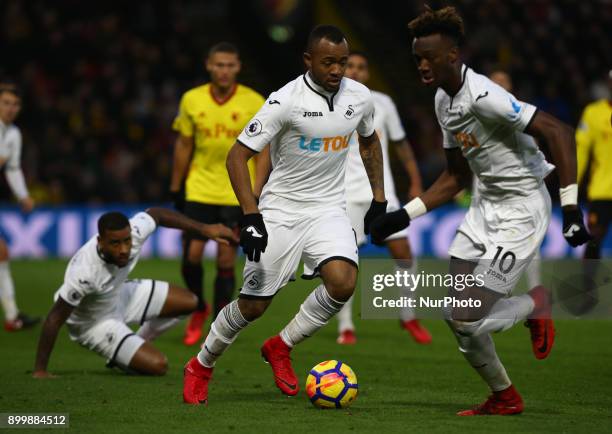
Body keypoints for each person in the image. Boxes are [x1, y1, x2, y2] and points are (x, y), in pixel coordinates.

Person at [370, 6, 590, 415]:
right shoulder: (442, 101)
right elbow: (456, 176)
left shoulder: (486, 96)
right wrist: (405, 216)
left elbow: (558, 132)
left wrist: (571, 208)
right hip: (483, 208)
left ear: (452, 56)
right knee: (457, 317)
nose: (421, 65)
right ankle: (504, 395)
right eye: (416, 57)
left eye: (428, 58)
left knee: (466, 314)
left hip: (522, 210)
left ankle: (537, 303)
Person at [183, 24, 386, 405]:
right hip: (281, 211)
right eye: (329, 62)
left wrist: (379, 199)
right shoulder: (285, 101)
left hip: (328, 209)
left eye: (343, 62)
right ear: (308, 60)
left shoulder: (359, 97)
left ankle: (281, 345)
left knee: (342, 282)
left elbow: (369, 141)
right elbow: (237, 155)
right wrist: (251, 215)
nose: (338, 70)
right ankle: (201, 364)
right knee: (254, 305)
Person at [32, 208, 238, 377]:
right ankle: (119, 353)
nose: (124, 249)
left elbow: (157, 215)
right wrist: (40, 370)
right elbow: (54, 319)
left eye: (127, 241)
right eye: (115, 243)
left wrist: (204, 229)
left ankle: (138, 341)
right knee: (158, 366)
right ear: (100, 242)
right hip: (94, 323)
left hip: (119, 294)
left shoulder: (134, 234)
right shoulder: (84, 273)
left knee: (190, 301)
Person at [170, 42, 265, 346]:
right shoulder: (192, 99)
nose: (224, 71)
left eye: (230, 65)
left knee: (225, 261)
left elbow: (264, 151)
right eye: (219, 65)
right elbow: (184, 144)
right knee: (192, 256)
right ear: (209, 66)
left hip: (236, 192)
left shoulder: (254, 101)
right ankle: (198, 306)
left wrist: (256, 191)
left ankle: (218, 322)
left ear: (238, 67)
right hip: (199, 187)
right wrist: (176, 185)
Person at [338, 51, 431, 345]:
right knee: (345, 261)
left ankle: (408, 316)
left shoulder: (383, 103)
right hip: (346, 193)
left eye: (361, 67)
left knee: (403, 253)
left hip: (383, 191)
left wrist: (415, 180)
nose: (355, 71)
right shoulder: (331, 103)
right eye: (349, 65)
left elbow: (402, 145)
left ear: (367, 73)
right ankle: (345, 326)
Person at [0, 83, 39, 331]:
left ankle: (13, 316)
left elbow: (11, 168)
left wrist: (23, 195)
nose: (10, 108)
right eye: (5, 102)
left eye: (15, 104)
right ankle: (13, 316)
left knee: (1, 253)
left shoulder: (13, 134)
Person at [576, 69, 612, 311]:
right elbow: (581, 152)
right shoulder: (593, 113)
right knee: (594, 241)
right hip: (602, 190)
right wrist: (571, 185)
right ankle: (586, 293)